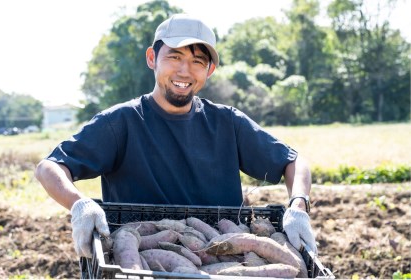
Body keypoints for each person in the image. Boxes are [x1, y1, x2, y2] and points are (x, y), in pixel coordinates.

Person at [35, 13, 317, 259]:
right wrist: (79, 205)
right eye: (174, 56)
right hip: (140, 258)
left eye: (197, 61)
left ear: (210, 70)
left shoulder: (227, 123)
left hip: (225, 258)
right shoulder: (121, 122)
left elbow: (294, 162)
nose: (185, 70)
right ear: (151, 58)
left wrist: (298, 206)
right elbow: (49, 167)